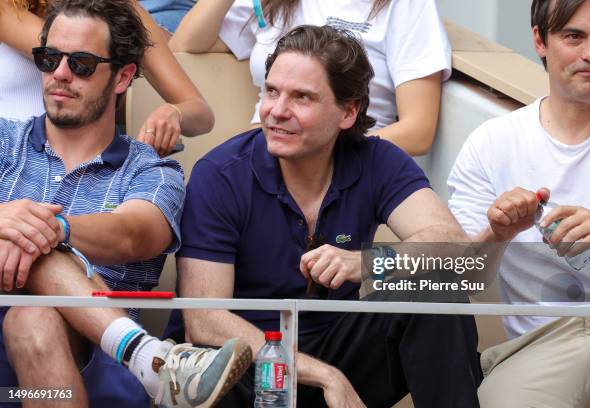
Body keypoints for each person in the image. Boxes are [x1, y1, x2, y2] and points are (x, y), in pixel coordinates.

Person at [166, 25, 481, 408]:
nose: (277, 111)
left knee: (435, 290)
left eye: (301, 97)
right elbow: (205, 321)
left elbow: (454, 247)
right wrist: (326, 376)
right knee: (224, 362)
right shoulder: (221, 173)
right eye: (271, 91)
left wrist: (367, 263)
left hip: (342, 349)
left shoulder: (377, 160)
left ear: (348, 111)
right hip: (248, 370)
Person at [0, 1, 251, 407]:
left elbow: (134, 235)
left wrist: (53, 231)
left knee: (33, 317)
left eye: (81, 64)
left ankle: (135, 354)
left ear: (123, 77)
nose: (60, 74)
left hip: (94, 368)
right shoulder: (3, 142)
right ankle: (152, 360)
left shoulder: (152, 169)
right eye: (49, 60)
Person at [447, 0, 590, 406]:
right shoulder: (493, 143)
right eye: (574, 36)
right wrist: (498, 233)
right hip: (543, 344)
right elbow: (454, 280)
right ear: (540, 40)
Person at [170, 0, 450, 156]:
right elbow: (186, 45)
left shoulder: (408, 5)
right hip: (262, 152)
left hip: (346, 164)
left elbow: (418, 132)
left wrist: (319, 152)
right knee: (208, 184)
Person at [0, 0, 213, 157]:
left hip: (84, 164)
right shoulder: (8, 7)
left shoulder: (121, 11)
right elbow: (71, 51)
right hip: (9, 160)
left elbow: (201, 113)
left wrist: (172, 113)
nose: (61, 71)